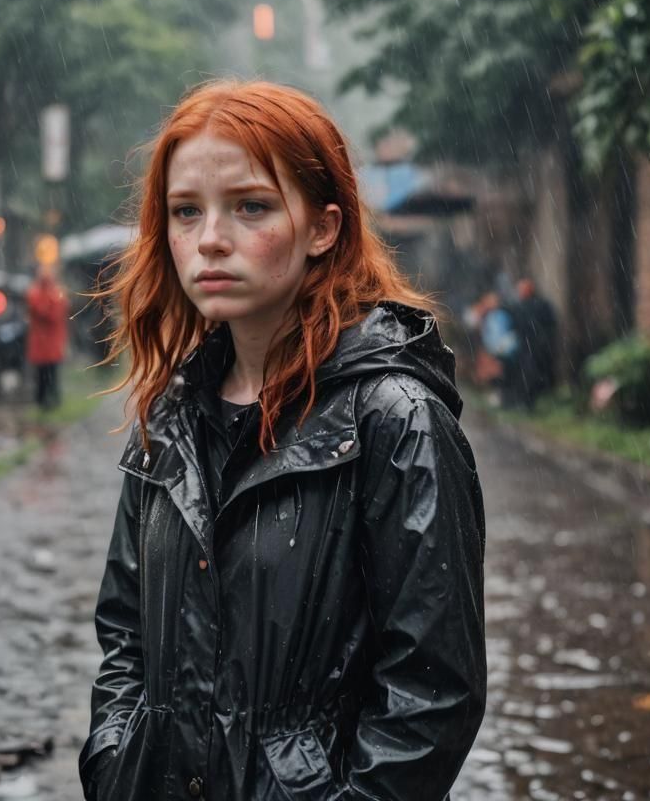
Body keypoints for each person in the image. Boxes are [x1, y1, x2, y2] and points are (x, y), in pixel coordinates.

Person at [81, 80, 486, 801]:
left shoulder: (396, 420)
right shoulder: (171, 416)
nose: (209, 239)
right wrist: (117, 765)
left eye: (251, 207)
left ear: (323, 228)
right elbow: (125, 633)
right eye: (185, 212)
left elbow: (431, 695)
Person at [26, 265, 69, 409]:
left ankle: (48, 400)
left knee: (49, 372)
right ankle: (45, 400)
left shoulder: (51, 292)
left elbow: (53, 313)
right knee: (45, 373)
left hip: (49, 341)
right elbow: (43, 310)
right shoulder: (48, 292)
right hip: (44, 341)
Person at [513, 278, 558, 408]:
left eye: (523, 289)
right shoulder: (520, 307)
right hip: (525, 347)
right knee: (526, 373)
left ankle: (535, 402)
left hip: (539, 346)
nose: (520, 293)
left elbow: (550, 324)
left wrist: (543, 340)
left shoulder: (541, 305)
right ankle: (526, 402)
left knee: (536, 374)